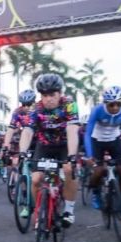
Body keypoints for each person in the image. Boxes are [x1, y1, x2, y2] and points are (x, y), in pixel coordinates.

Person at [18, 73, 80, 226]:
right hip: (44, 145)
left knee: (68, 171)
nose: (48, 99)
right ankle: (39, 212)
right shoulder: (35, 108)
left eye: (52, 94)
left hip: (64, 145)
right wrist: (22, 152)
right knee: (36, 179)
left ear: (60, 93)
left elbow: (72, 130)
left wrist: (72, 155)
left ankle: (68, 210)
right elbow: (27, 131)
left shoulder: (69, 105)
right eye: (44, 95)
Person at [84, 86, 121, 219]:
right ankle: (96, 194)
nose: (115, 107)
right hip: (97, 140)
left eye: (118, 104)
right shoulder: (97, 110)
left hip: (114, 140)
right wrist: (90, 155)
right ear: (105, 103)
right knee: (99, 170)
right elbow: (87, 133)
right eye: (111, 104)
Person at [2, 89, 36, 177]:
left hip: (38, 139)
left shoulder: (38, 109)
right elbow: (11, 128)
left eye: (29, 104)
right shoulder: (17, 111)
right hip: (25, 139)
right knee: (21, 162)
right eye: (24, 104)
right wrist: (6, 146)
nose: (26, 107)